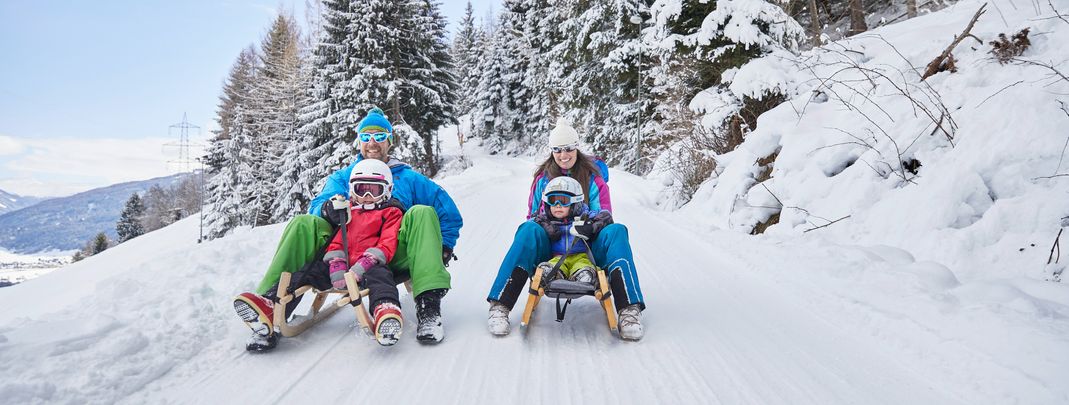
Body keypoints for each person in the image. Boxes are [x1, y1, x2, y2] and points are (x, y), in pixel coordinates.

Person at [233, 107, 463, 351]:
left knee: (423, 212)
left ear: (389, 141)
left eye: (379, 136)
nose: (372, 143)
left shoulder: (409, 178)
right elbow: (317, 206)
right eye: (365, 137)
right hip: (343, 256)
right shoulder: (344, 177)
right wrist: (327, 210)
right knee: (302, 223)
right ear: (359, 142)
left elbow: (447, 211)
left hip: (391, 256)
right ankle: (271, 307)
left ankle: (429, 309)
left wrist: (444, 246)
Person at [486, 119, 646, 340]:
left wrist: (593, 226)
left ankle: (629, 310)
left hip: (586, 246)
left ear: (576, 147)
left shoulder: (593, 178)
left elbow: (605, 214)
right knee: (527, 230)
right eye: (557, 150)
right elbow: (533, 215)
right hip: (550, 248)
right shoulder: (542, 179)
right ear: (552, 151)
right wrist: (546, 225)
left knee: (617, 231)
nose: (563, 155)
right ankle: (500, 305)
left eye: (569, 148)